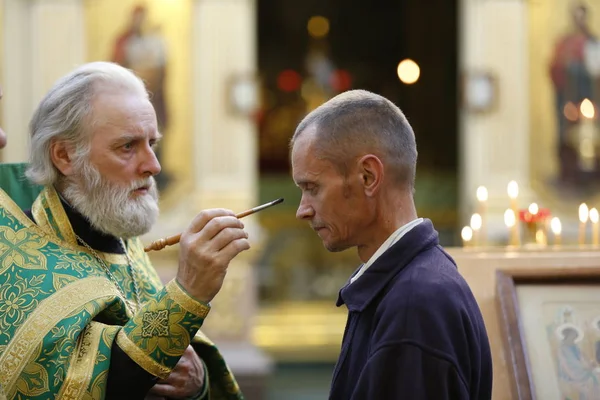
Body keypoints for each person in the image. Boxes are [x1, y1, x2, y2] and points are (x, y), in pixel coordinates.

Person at [0, 62, 249, 399]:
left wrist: (196, 383)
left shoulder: (122, 240)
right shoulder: (19, 257)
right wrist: (188, 292)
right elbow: (82, 387)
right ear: (64, 156)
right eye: (128, 147)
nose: (153, 166)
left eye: (152, 143)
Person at [290, 89, 493, 399]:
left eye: (312, 187)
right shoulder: (410, 284)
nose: (302, 210)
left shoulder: (416, 304)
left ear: (368, 176)